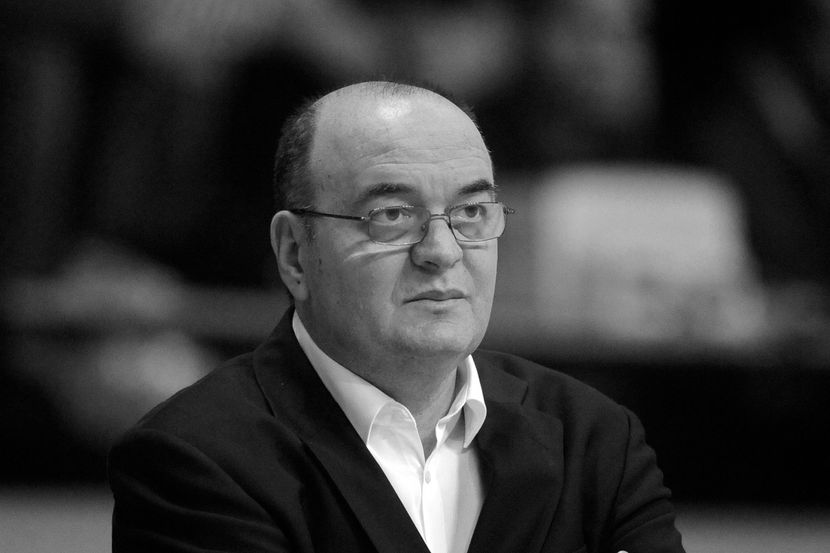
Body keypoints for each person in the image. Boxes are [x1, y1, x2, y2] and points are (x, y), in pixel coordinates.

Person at [108, 81, 686, 553]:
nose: (442, 251)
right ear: (294, 254)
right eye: (391, 215)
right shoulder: (197, 458)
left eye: (472, 211)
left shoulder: (594, 438)